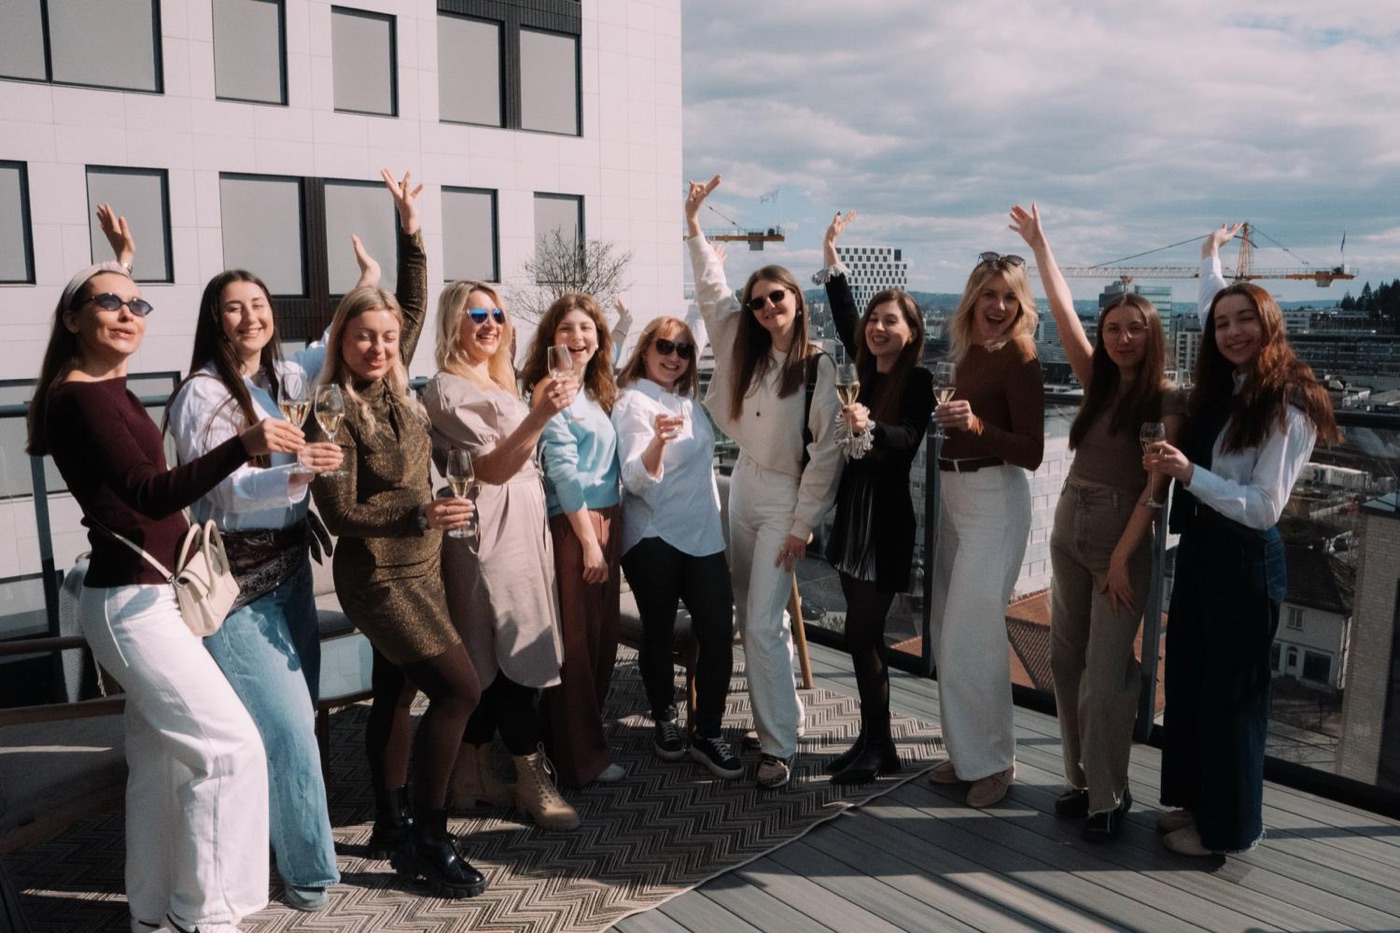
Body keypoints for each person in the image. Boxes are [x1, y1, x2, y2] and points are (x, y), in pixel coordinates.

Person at [26, 253, 306, 933]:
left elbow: (112, 368)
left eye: (137, 304)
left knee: (162, 766)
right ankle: (202, 916)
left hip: (146, 598)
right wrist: (243, 443)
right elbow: (150, 490)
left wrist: (116, 265)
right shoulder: (81, 398)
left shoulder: (99, 387)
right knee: (229, 747)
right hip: (134, 605)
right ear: (71, 318)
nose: (128, 314)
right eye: (109, 303)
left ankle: (153, 914)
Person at [157, 182, 408, 910]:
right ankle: (310, 873)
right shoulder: (202, 394)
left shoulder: (281, 377)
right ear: (214, 319)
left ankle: (272, 847)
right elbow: (227, 493)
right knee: (292, 726)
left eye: (259, 303)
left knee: (288, 723)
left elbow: (338, 342)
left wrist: (367, 281)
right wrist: (298, 473)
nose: (251, 315)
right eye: (235, 306)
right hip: (235, 589)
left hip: (293, 567)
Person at [307, 174, 488, 898]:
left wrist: (409, 228)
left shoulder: (394, 378)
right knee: (458, 690)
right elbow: (340, 512)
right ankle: (428, 839)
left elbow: (410, 302)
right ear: (341, 338)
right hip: (379, 573)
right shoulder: (329, 406)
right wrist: (420, 515)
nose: (380, 345)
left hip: (422, 560)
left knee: (396, 689)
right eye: (364, 335)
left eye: (387, 337)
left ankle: (388, 820)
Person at [1144, 223, 1339, 857]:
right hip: (1204, 553)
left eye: (1244, 321)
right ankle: (1199, 805)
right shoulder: (1237, 380)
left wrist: (1187, 473)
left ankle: (1229, 831)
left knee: (1233, 699)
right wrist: (1209, 257)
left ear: (1270, 323)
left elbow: (1262, 508)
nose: (1230, 331)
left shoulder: (1290, 400)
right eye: (1222, 322)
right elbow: (1213, 300)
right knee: (1196, 683)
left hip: (1246, 561)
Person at [1011, 203, 1185, 840]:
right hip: (1071, 520)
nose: (1122, 338)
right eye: (1113, 327)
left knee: (1109, 675)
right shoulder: (1097, 384)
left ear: (1152, 334)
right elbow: (1058, 311)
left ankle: (1111, 800)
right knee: (1067, 660)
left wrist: (1120, 557)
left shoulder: (1167, 400)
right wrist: (1040, 244)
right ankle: (1081, 781)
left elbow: (1155, 488)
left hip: (1125, 535)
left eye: (1134, 328)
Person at [685, 176, 843, 790]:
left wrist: (803, 526)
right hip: (743, 484)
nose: (766, 309)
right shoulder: (741, 344)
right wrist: (694, 226)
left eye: (776, 298)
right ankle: (774, 717)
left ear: (796, 299)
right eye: (757, 302)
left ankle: (779, 745)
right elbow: (711, 291)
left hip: (785, 494)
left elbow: (827, 455)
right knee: (754, 617)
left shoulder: (817, 365)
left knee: (759, 622)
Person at [423, 279, 583, 830]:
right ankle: (529, 780)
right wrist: (539, 415)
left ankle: (471, 777)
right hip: (487, 523)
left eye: (496, 314)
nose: (490, 323)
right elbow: (488, 470)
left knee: (498, 647)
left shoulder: (498, 379)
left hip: (522, 521)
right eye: (476, 315)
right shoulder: (446, 389)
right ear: (453, 324)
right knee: (509, 650)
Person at [925, 240, 1045, 809]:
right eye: (988, 295)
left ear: (1022, 306)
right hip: (956, 496)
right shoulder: (971, 349)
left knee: (972, 639)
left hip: (994, 502)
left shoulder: (1019, 353)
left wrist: (973, 425)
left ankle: (996, 762)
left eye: (1009, 298)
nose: (998, 306)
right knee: (952, 634)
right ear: (971, 299)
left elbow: (1033, 451)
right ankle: (969, 751)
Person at [814, 210, 932, 785]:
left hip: (885, 528)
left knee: (862, 635)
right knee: (860, 637)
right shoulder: (862, 366)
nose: (879, 328)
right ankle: (874, 742)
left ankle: (880, 745)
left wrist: (868, 429)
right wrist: (832, 254)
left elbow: (908, 441)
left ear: (911, 331)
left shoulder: (918, 382)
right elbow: (842, 318)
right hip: (852, 522)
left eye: (892, 321)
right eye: (875, 320)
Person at [613, 314, 743, 779]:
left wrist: (702, 255)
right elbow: (632, 479)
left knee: (717, 627)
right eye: (664, 347)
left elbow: (698, 326)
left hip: (701, 531)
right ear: (645, 350)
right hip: (653, 533)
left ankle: (708, 731)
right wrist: (655, 444)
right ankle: (665, 718)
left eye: (683, 350)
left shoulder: (687, 399)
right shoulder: (631, 403)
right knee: (659, 629)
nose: (674, 356)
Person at [520, 293, 626, 787]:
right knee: (578, 646)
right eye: (567, 329)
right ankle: (578, 759)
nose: (578, 338)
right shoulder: (555, 391)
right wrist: (588, 542)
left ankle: (569, 744)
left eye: (587, 329)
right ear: (551, 338)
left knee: (600, 642)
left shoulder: (590, 389)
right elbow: (562, 472)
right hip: (576, 522)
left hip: (606, 516)